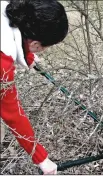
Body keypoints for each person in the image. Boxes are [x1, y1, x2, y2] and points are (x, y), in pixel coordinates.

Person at [0, 0, 68, 174]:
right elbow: (12, 114)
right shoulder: (2, 65)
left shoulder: (8, 8)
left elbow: (17, 37)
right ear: (36, 44)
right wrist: (42, 159)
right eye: (42, 47)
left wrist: (27, 56)